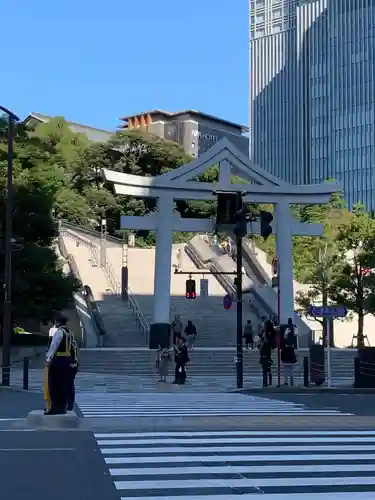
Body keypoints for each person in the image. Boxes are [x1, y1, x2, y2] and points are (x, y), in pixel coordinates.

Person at [44, 312, 73, 415]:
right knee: (63, 384)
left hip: (58, 360)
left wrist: (48, 359)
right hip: (67, 359)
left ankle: (55, 407)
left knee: (54, 384)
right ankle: (63, 406)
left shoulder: (59, 332)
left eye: (55, 321)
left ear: (58, 322)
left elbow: (54, 346)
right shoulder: (69, 332)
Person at [67, 328, 79, 411]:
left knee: (69, 385)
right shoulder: (73, 343)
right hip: (74, 365)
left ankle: (69, 403)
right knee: (70, 384)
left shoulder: (70, 344)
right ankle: (69, 403)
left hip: (71, 366)